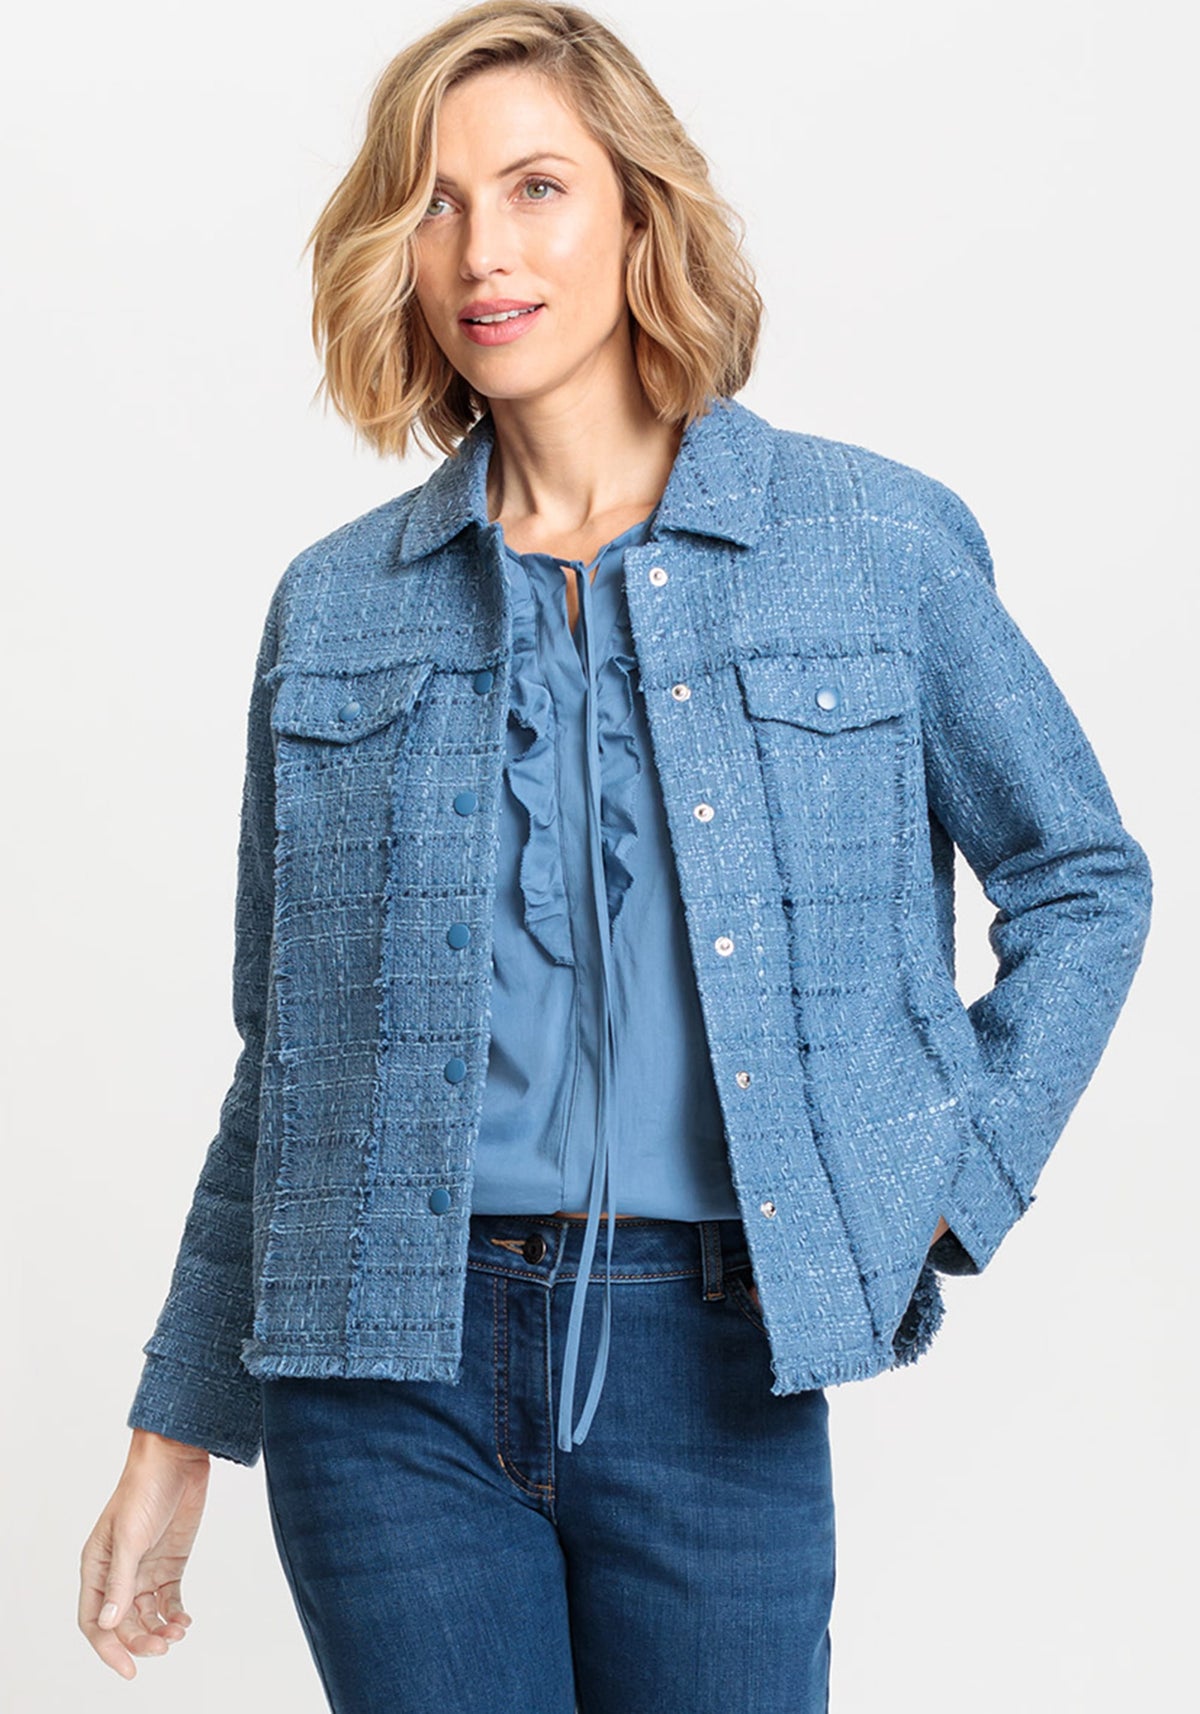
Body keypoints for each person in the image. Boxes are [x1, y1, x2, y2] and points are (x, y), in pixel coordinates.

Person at [77, 4, 1153, 1710]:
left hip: (715, 1354)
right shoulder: (339, 603)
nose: (481, 252)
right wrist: (175, 1423)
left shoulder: (869, 543)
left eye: (536, 188)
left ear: (642, 211)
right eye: (436, 204)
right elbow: (283, 1065)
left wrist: (951, 1180)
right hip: (381, 1370)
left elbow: (1083, 876)